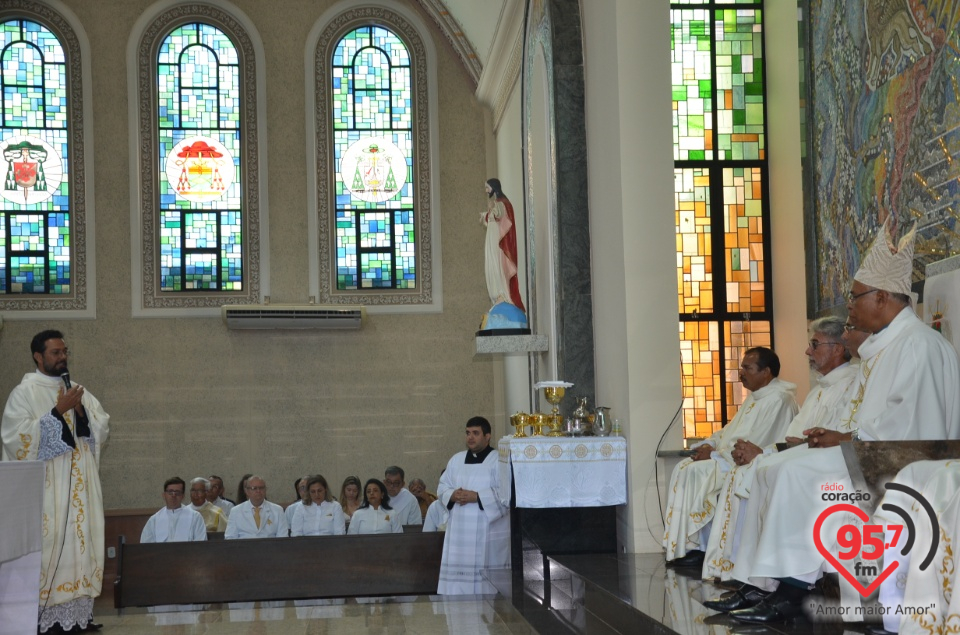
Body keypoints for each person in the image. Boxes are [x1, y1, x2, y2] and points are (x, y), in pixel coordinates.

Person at [724, 220, 960, 625]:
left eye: (855, 298)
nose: (849, 307)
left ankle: (790, 592)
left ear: (882, 297)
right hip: (871, 453)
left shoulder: (919, 346)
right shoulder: (886, 347)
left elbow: (913, 429)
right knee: (777, 466)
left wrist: (846, 437)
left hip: (903, 467)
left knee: (794, 473)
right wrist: (843, 437)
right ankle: (769, 585)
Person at [702, 317, 866, 583]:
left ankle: (772, 579)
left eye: (814, 344)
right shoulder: (820, 389)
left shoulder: (851, 384)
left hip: (828, 466)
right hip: (803, 458)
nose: (807, 352)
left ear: (837, 348)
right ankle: (743, 573)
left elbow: (822, 440)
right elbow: (793, 439)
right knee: (751, 470)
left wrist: (763, 454)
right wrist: (763, 453)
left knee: (764, 469)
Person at [1, 330, 110, 634]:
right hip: (48, 492)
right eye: (55, 353)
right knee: (51, 549)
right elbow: (16, 440)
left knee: (81, 545)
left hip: (81, 490)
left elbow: (100, 429)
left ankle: (79, 616)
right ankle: (45, 620)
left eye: (65, 352)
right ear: (38, 356)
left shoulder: (77, 390)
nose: (63, 357)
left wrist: (82, 413)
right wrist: (57, 413)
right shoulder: (24, 393)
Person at [662, 347, 798, 568]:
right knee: (685, 467)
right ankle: (691, 545)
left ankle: (701, 546)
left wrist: (715, 455)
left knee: (697, 470)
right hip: (727, 458)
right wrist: (711, 443)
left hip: (750, 463)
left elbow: (758, 440)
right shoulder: (755, 398)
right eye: (741, 367)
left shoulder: (779, 400)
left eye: (747, 368)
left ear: (766, 372)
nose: (741, 373)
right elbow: (730, 430)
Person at [437, 416, 509, 594]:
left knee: (484, 584)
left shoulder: (498, 460)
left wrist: (477, 496)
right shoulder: (456, 460)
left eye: (476, 433)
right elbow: (442, 486)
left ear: (487, 436)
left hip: (485, 528)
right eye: (468, 433)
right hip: (460, 530)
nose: (470, 437)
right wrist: (453, 494)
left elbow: (507, 494)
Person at [482, 178, 524, 311]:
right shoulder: (499, 203)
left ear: (494, 188)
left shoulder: (501, 203)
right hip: (494, 241)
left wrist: (491, 212)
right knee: (493, 267)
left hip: (498, 244)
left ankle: (503, 294)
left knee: (498, 266)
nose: (486, 190)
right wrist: (487, 215)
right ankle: (499, 296)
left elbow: (499, 215)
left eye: (488, 187)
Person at [141, 477, 208, 543]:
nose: (173, 495)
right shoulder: (154, 520)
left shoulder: (195, 517)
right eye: (170, 492)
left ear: (183, 496)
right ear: (164, 495)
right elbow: (146, 546)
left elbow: (200, 544)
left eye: (177, 492)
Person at [225, 476, 289, 539]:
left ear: (265, 490)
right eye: (254, 488)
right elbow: (230, 537)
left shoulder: (277, 510)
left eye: (261, 488)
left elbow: (282, 537)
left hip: (270, 548)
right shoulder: (236, 511)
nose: (258, 491)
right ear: (247, 491)